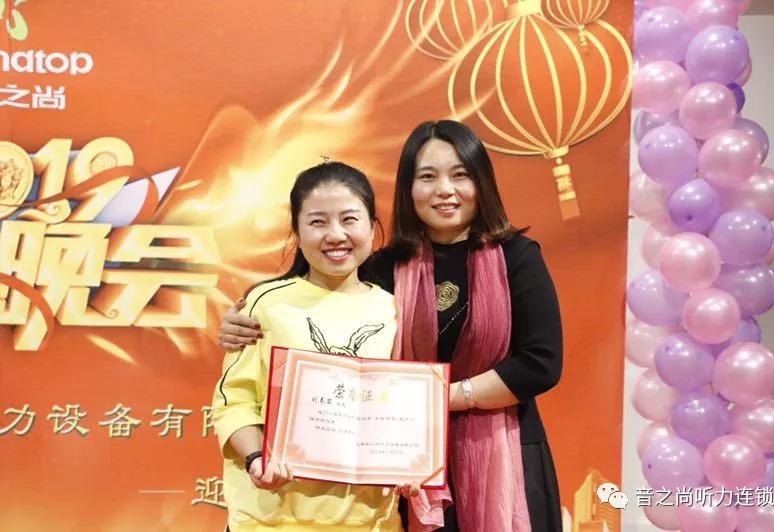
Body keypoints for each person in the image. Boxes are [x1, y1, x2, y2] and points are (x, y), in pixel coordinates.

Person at [219, 120, 563, 532]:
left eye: (460, 175)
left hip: (504, 456)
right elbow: (321, 296)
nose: (444, 190)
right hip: (400, 462)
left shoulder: (517, 257)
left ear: (481, 181)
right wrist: (239, 322)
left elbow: (540, 363)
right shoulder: (384, 269)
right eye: (427, 177)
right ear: (407, 188)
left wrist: (435, 399)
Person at [211, 161, 406, 531]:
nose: (335, 235)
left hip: (371, 521)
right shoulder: (266, 303)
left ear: (371, 226)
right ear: (297, 233)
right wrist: (257, 457)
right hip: (271, 520)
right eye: (318, 222)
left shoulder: (395, 309)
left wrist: (412, 464)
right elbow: (233, 402)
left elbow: (403, 410)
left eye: (349, 219)